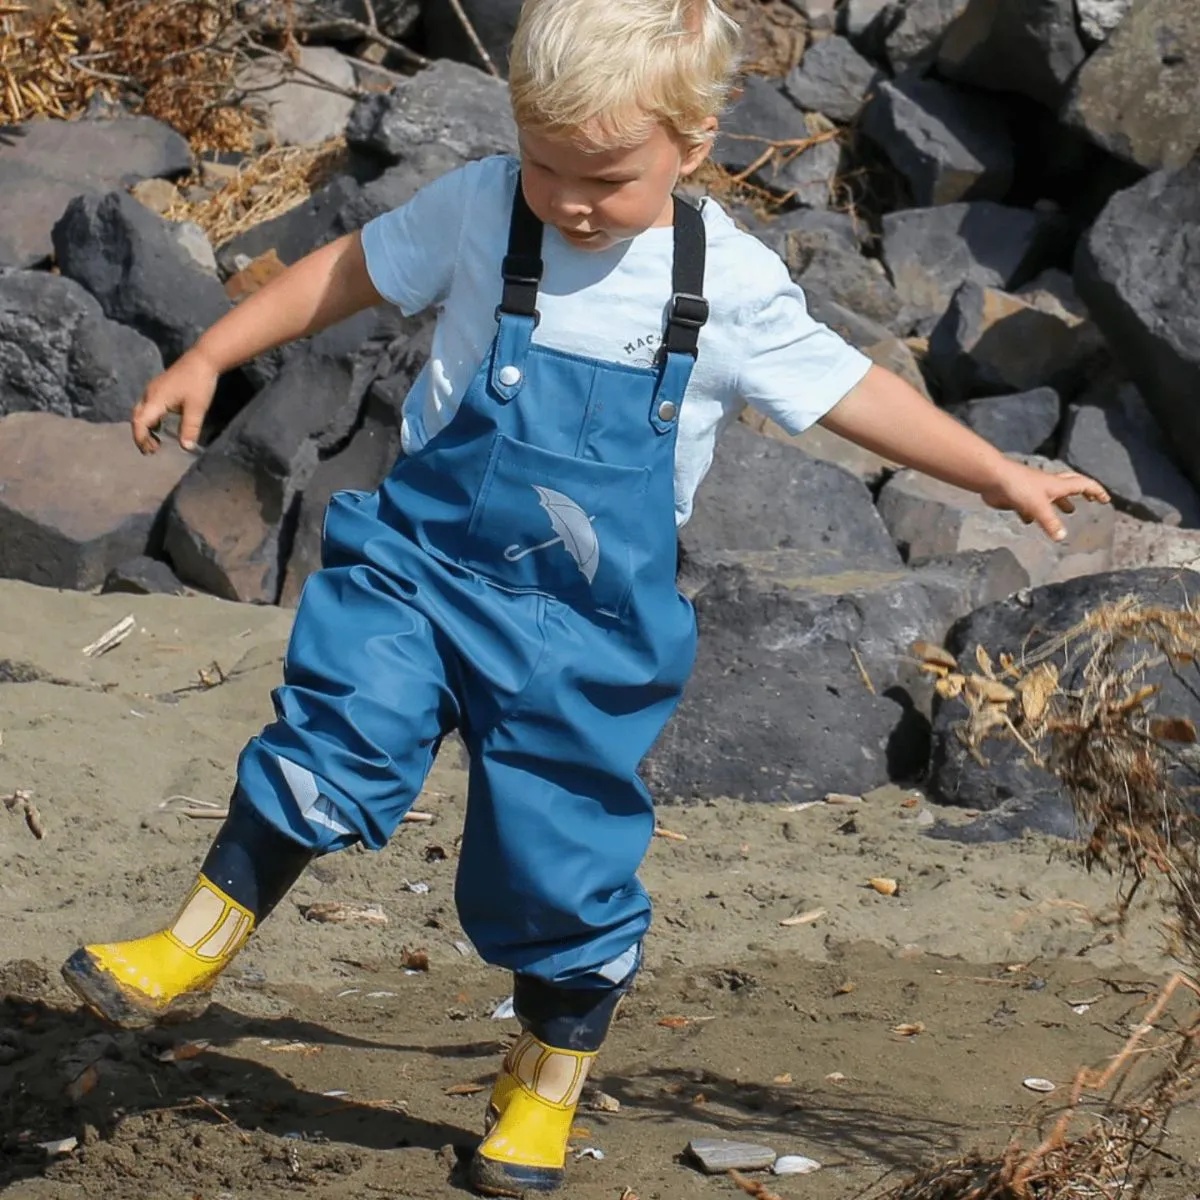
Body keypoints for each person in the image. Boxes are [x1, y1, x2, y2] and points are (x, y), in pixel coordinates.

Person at [60, 0, 1110, 1193]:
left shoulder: (727, 286)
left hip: (586, 629)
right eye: (543, 162)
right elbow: (349, 274)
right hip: (423, 566)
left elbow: (856, 393)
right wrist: (207, 354)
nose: (565, 199)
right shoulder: (480, 208)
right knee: (336, 726)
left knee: (556, 866)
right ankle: (192, 944)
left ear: (694, 143)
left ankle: (547, 1075)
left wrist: (999, 471)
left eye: (603, 177)